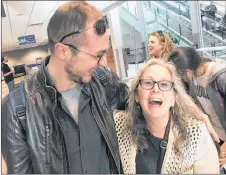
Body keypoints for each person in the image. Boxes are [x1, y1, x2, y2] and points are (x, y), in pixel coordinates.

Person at [1, 2, 129, 174]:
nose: (103, 62)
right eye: (98, 55)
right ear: (63, 51)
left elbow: (139, 115)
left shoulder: (105, 81)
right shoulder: (16, 109)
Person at [114, 58, 219, 174]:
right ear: (136, 96)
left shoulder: (196, 134)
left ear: (174, 98)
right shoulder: (119, 125)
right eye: (148, 83)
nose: (155, 89)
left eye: (164, 84)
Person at [168, 46, 226, 171]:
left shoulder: (221, 76)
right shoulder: (193, 78)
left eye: (179, 75)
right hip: (217, 135)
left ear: (187, 71)